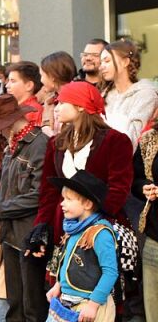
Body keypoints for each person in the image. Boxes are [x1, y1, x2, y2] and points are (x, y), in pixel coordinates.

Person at [46, 171, 150, 322]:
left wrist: (94, 304)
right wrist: (58, 286)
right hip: (71, 302)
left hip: (94, 303)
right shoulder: (74, 229)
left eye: (68, 199)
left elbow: (110, 272)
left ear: (87, 204)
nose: (62, 204)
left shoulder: (100, 233)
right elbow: (69, 262)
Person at [27, 81, 133, 266]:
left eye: (62, 103)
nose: (56, 109)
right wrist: (42, 226)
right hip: (64, 226)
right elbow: (49, 192)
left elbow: (118, 190)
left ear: (80, 106)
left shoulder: (115, 141)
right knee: (64, 288)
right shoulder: (56, 143)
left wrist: (94, 225)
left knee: (98, 286)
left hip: (101, 229)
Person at [0, 95, 48, 322]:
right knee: (15, 300)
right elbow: (6, 185)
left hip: (29, 233)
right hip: (12, 231)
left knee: (32, 302)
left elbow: (37, 196)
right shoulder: (13, 144)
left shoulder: (38, 144)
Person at [99, 39, 158, 149]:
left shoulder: (145, 94)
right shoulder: (105, 95)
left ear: (125, 62)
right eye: (101, 62)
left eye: (107, 61)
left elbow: (133, 137)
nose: (101, 66)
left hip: (127, 161)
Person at [133, 117, 158, 322]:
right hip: (154, 232)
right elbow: (135, 177)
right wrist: (144, 187)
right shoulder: (150, 139)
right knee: (152, 303)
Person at [39, 51, 77, 135]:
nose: (41, 80)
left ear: (52, 76)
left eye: (42, 75)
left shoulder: (74, 99)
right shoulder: (53, 99)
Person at [5, 62, 44, 126]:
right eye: (8, 81)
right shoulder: (15, 108)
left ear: (29, 85)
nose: (7, 86)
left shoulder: (33, 111)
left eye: (13, 81)